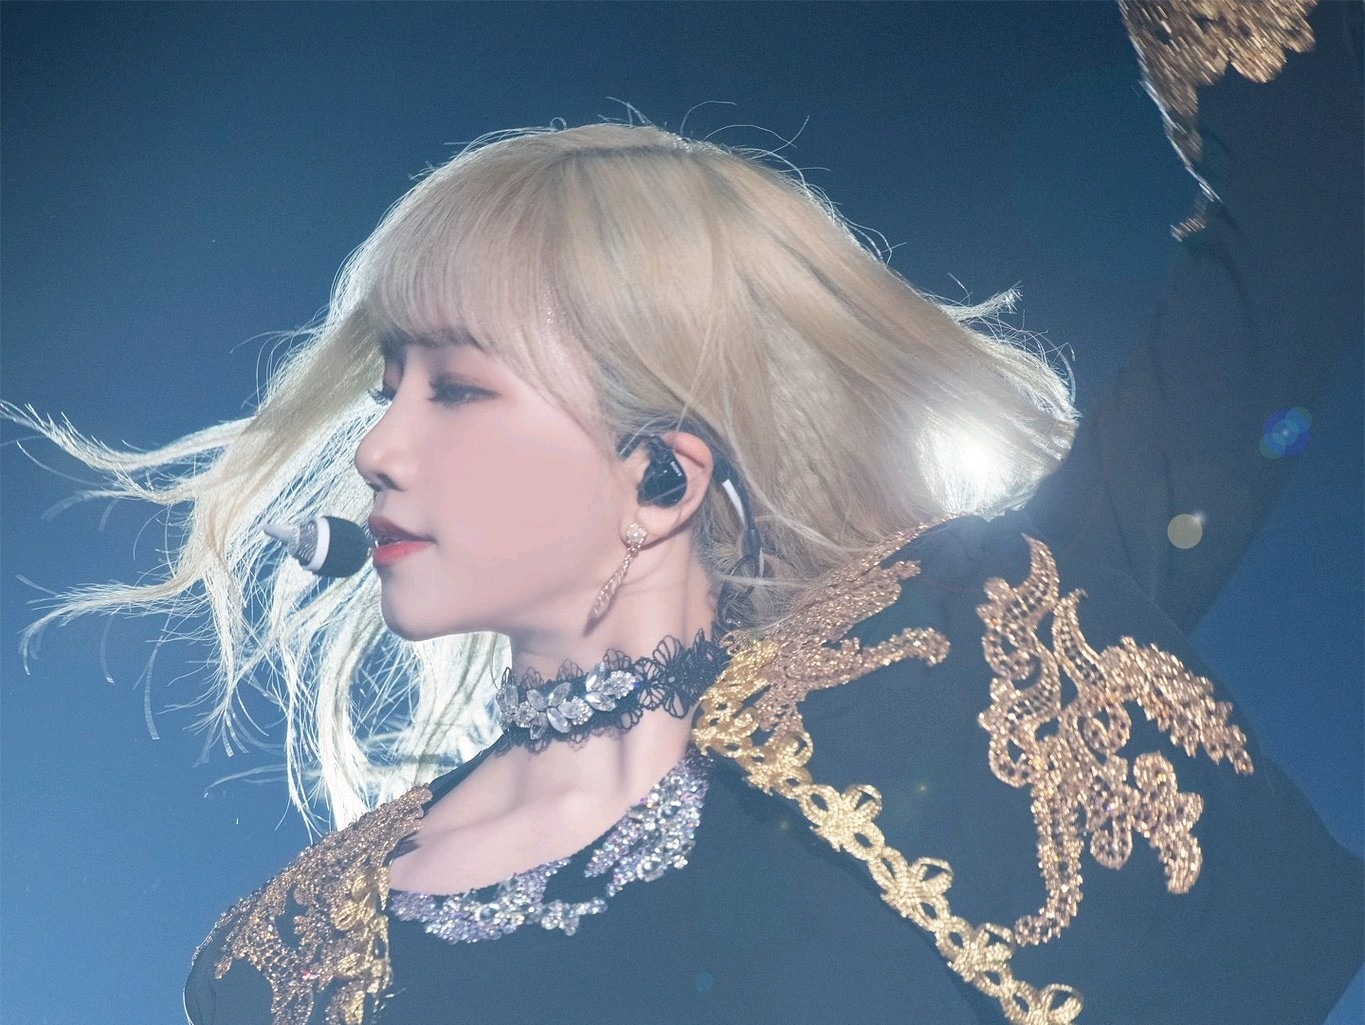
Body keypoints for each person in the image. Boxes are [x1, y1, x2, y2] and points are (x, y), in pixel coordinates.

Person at [5, 2, 1360, 1022]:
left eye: (458, 389)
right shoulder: (282, 965)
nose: (376, 449)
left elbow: (1305, 202)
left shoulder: (977, 647)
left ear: (662, 476)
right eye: (385, 386)